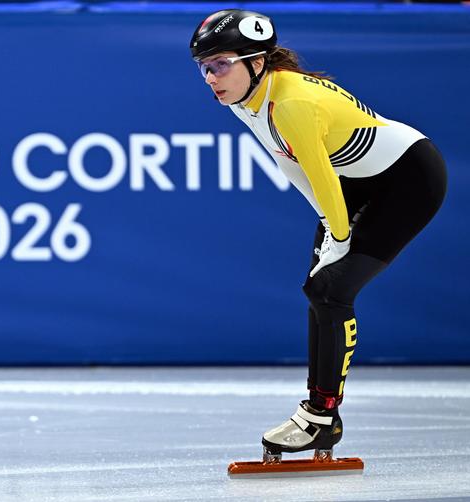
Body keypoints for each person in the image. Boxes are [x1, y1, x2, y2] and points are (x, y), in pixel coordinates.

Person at [189, 10, 447, 460]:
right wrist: (333, 229)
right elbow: (292, 169)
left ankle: (322, 417)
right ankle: (318, 415)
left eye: (221, 64)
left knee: (330, 290)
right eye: (204, 67)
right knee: (318, 289)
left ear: (256, 61)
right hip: (357, 181)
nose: (211, 77)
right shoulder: (245, 97)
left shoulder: (291, 103)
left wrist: (340, 235)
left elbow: (321, 176)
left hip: (409, 179)